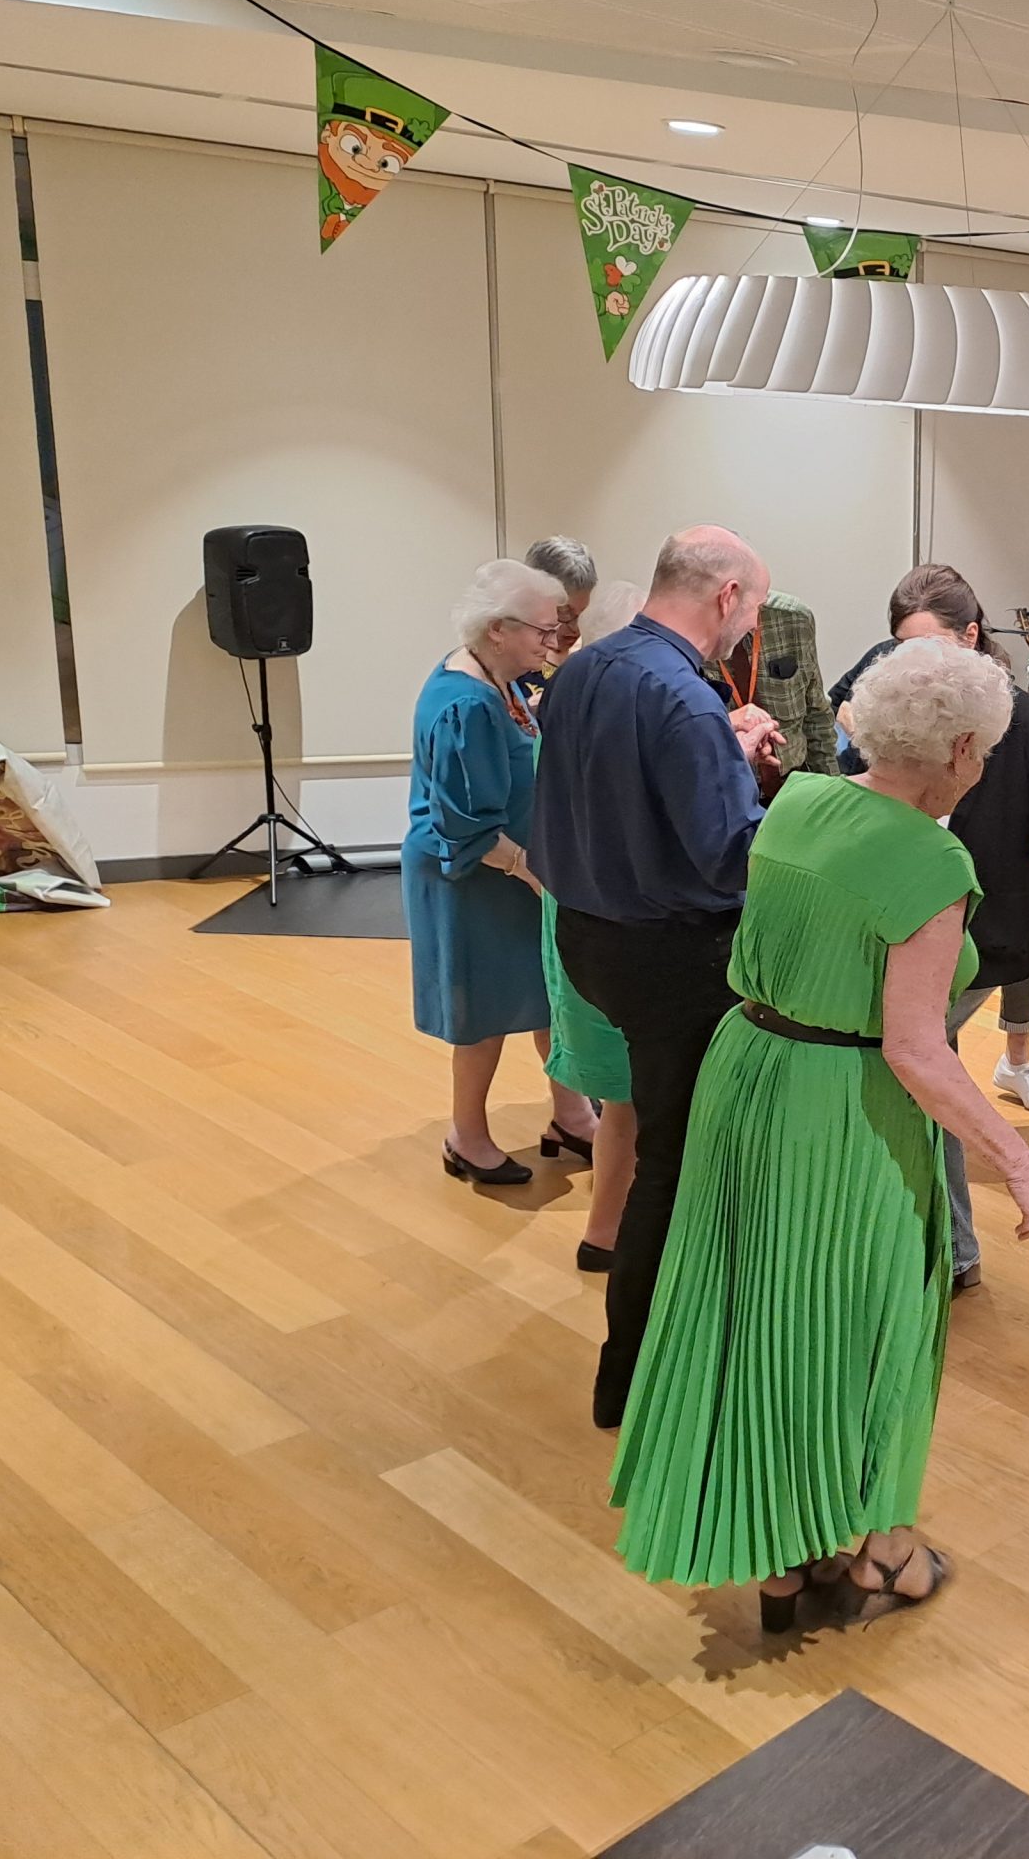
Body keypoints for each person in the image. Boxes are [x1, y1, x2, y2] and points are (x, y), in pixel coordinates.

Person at [610, 640, 1029, 1636]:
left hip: (747, 1070)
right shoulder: (933, 862)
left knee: (762, 1312)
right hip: (845, 1105)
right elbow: (917, 1049)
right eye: (986, 751)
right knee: (874, 1317)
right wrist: (1024, 1165)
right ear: (959, 748)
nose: (985, 767)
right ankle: (885, 1549)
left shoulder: (802, 801)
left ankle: (782, 1553)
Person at [532, 526, 781, 1429]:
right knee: (674, 1167)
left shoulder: (583, 670)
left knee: (657, 1144)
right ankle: (634, 1376)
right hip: (672, 958)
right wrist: (786, 803)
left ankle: (670, 1350)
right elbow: (731, 856)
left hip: (588, 938)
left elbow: (613, 796)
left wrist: (725, 761)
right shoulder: (682, 696)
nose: (750, 631)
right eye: (754, 610)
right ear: (726, 596)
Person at [881, 566, 1029, 1289]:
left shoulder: (1025, 717)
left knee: (918, 1061)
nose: (918, 663)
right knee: (920, 1063)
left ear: (972, 635)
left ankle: (952, 1248)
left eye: (932, 645)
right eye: (905, 648)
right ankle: (947, 1247)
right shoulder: (898, 703)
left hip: (980, 934)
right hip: (902, 920)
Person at [405, 558, 595, 1187]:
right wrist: (535, 873)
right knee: (482, 1016)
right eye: (542, 630)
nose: (552, 641)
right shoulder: (466, 704)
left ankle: (571, 1115)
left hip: (518, 869)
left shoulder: (500, 681)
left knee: (549, 994)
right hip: (475, 877)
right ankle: (467, 1136)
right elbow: (467, 827)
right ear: (497, 629)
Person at [538, 579, 648, 1272]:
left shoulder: (567, 713)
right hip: (611, 926)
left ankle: (606, 1231)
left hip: (577, 918)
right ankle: (609, 1234)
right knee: (630, 1103)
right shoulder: (612, 728)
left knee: (622, 1104)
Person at [707, 588, 840, 783]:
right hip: (724, 785)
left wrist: (830, 785)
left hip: (795, 781)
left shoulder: (793, 618)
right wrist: (725, 722)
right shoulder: (682, 630)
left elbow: (817, 713)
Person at [515, 535, 598, 701]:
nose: (575, 629)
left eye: (582, 615)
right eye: (565, 613)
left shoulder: (587, 659)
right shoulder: (506, 656)